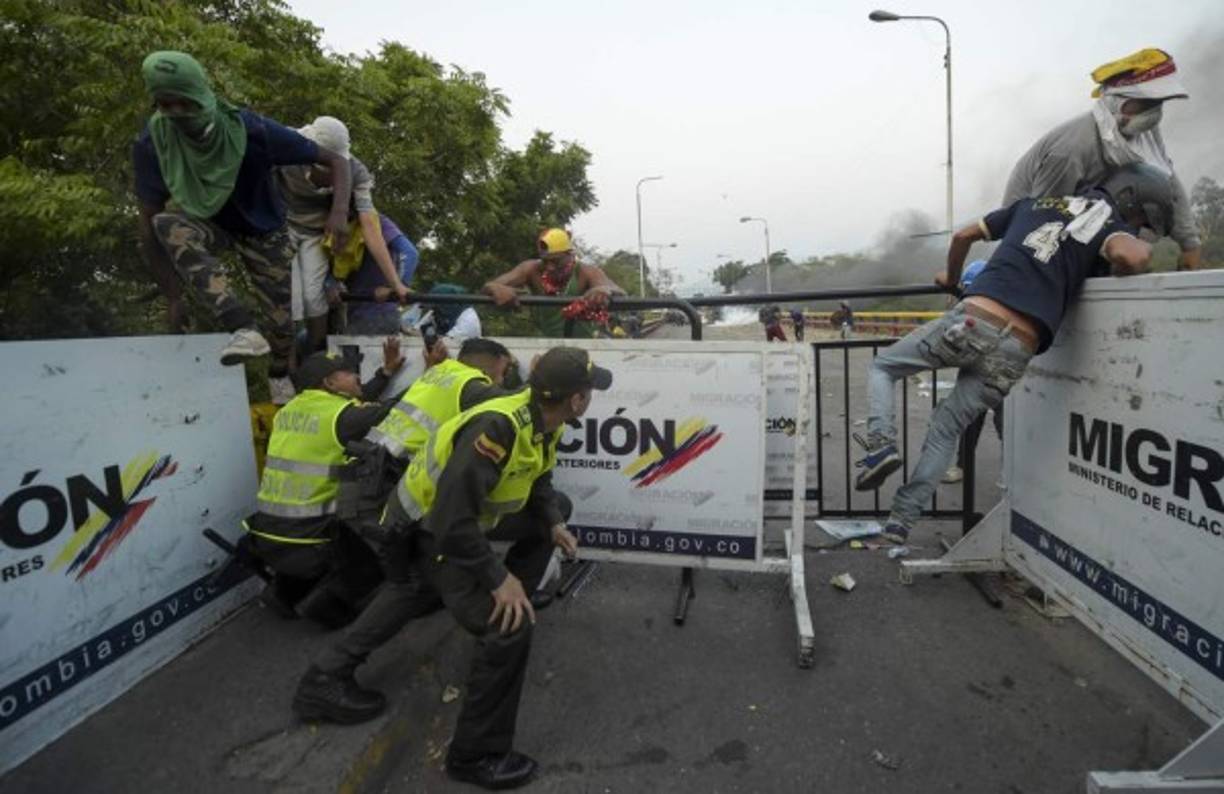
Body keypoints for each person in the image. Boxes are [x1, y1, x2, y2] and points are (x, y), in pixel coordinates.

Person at [294, 347, 609, 789]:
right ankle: (475, 756)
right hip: (427, 530)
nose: (591, 397)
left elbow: (539, 480)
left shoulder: (541, 417)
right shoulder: (498, 425)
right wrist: (499, 579)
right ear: (576, 400)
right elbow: (450, 520)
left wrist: (554, 523)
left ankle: (324, 678)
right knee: (508, 627)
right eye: (589, 391)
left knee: (420, 587)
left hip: (447, 525)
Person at [854, 164, 1169, 544]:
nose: (1135, 225)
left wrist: (952, 280)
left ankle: (880, 444)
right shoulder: (1106, 224)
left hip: (974, 322)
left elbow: (963, 235)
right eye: (1138, 218)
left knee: (884, 368)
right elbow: (1133, 258)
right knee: (946, 428)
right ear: (1128, 201)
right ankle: (900, 522)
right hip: (1018, 349)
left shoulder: (1032, 205)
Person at [133, 51, 352, 401]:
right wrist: (172, 295)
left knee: (282, 323)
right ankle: (240, 325)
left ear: (200, 96)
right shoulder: (154, 143)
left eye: (184, 104)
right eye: (165, 105)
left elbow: (336, 160)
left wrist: (338, 213)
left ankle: (280, 372)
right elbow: (148, 222)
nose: (176, 114)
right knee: (167, 223)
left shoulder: (250, 130)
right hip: (209, 220)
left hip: (264, 228)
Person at [245, 340, 405, 627]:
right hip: (311, 536)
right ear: (330, 383)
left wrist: (385, 372)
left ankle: (284, 590)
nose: (356, 376)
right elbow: (396, 409)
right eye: (348, 372)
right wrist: (434, 376)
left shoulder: (290, 411)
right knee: (379, 551)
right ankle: (330, 606)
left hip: (267, 531)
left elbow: (359, 401)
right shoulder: (339, 417)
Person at [1003, 48, 1200, 271]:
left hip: (1090, 212)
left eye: (1156, 105)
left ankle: (1114, 263)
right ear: (1115, 103)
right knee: (1129, 187)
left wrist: (1189, 244)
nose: (1152, 113)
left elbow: (1169, 179)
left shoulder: (1145, 132)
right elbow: (1039, 217)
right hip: (1033, 225)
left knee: (1152, 183)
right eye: (1143, 105)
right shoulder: (1071, 150)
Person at [276, 117, 410, 353]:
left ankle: (318, 350)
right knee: (290, 300)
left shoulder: (356, 172)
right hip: (280, 226)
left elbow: (371, 227)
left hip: (317, 234)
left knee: (312, 298)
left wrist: (395, 283)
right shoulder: (287, 147)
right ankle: (284, 365)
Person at [482, 228, 625, 338]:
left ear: (570, 255)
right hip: (544, 343)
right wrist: (495, 288)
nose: (550, 267)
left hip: (584, 345)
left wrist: (602, 290)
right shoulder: (531, 269)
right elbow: (491, 285)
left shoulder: (585, 271)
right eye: (545, 261)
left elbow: (614, 288)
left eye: (556, 261)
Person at [342, 214, 420, 336]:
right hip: (355, 312)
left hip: (378, 312)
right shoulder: (338, 225)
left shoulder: (375, 220)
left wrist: (395, 288)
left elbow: (410, 253)